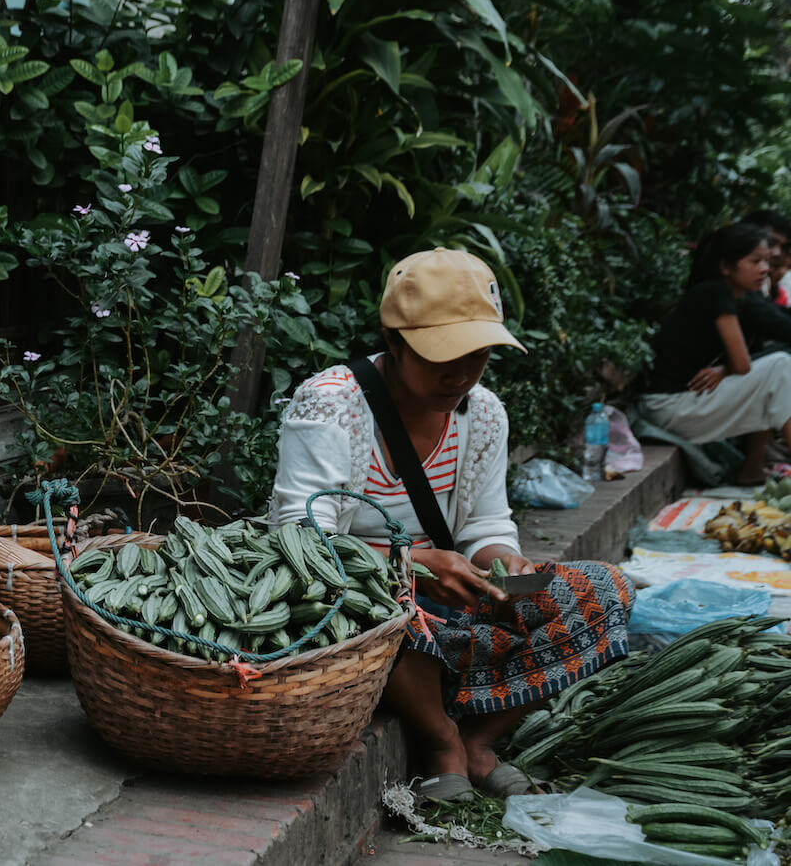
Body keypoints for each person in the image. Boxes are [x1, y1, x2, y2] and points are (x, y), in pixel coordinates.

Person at [270, 247, 633, 801]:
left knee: (604, 589)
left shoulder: (483, 412)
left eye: (478, 356)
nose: (461, 374)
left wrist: (503, 561)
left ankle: (480, 741)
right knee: (391, 605)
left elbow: (487, 522)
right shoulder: (330, 404)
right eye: (443, 357)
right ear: (394, 342)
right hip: (352, 592)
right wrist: (410, 563)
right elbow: (298, 535)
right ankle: (441, 742)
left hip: (447, 590)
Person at [639, 223, 791, 485]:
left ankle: (752, 470)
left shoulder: (734, 297)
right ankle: (752, 468)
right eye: (755, 261)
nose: (765, 270)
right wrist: (729, 369)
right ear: (725, 267)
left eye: (766, 261)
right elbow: (743, 365)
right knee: (780, 367)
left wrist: (724, 370)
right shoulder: (716, 292)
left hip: (683, 405)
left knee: (776, 374)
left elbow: (743, 364)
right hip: (671, 410)